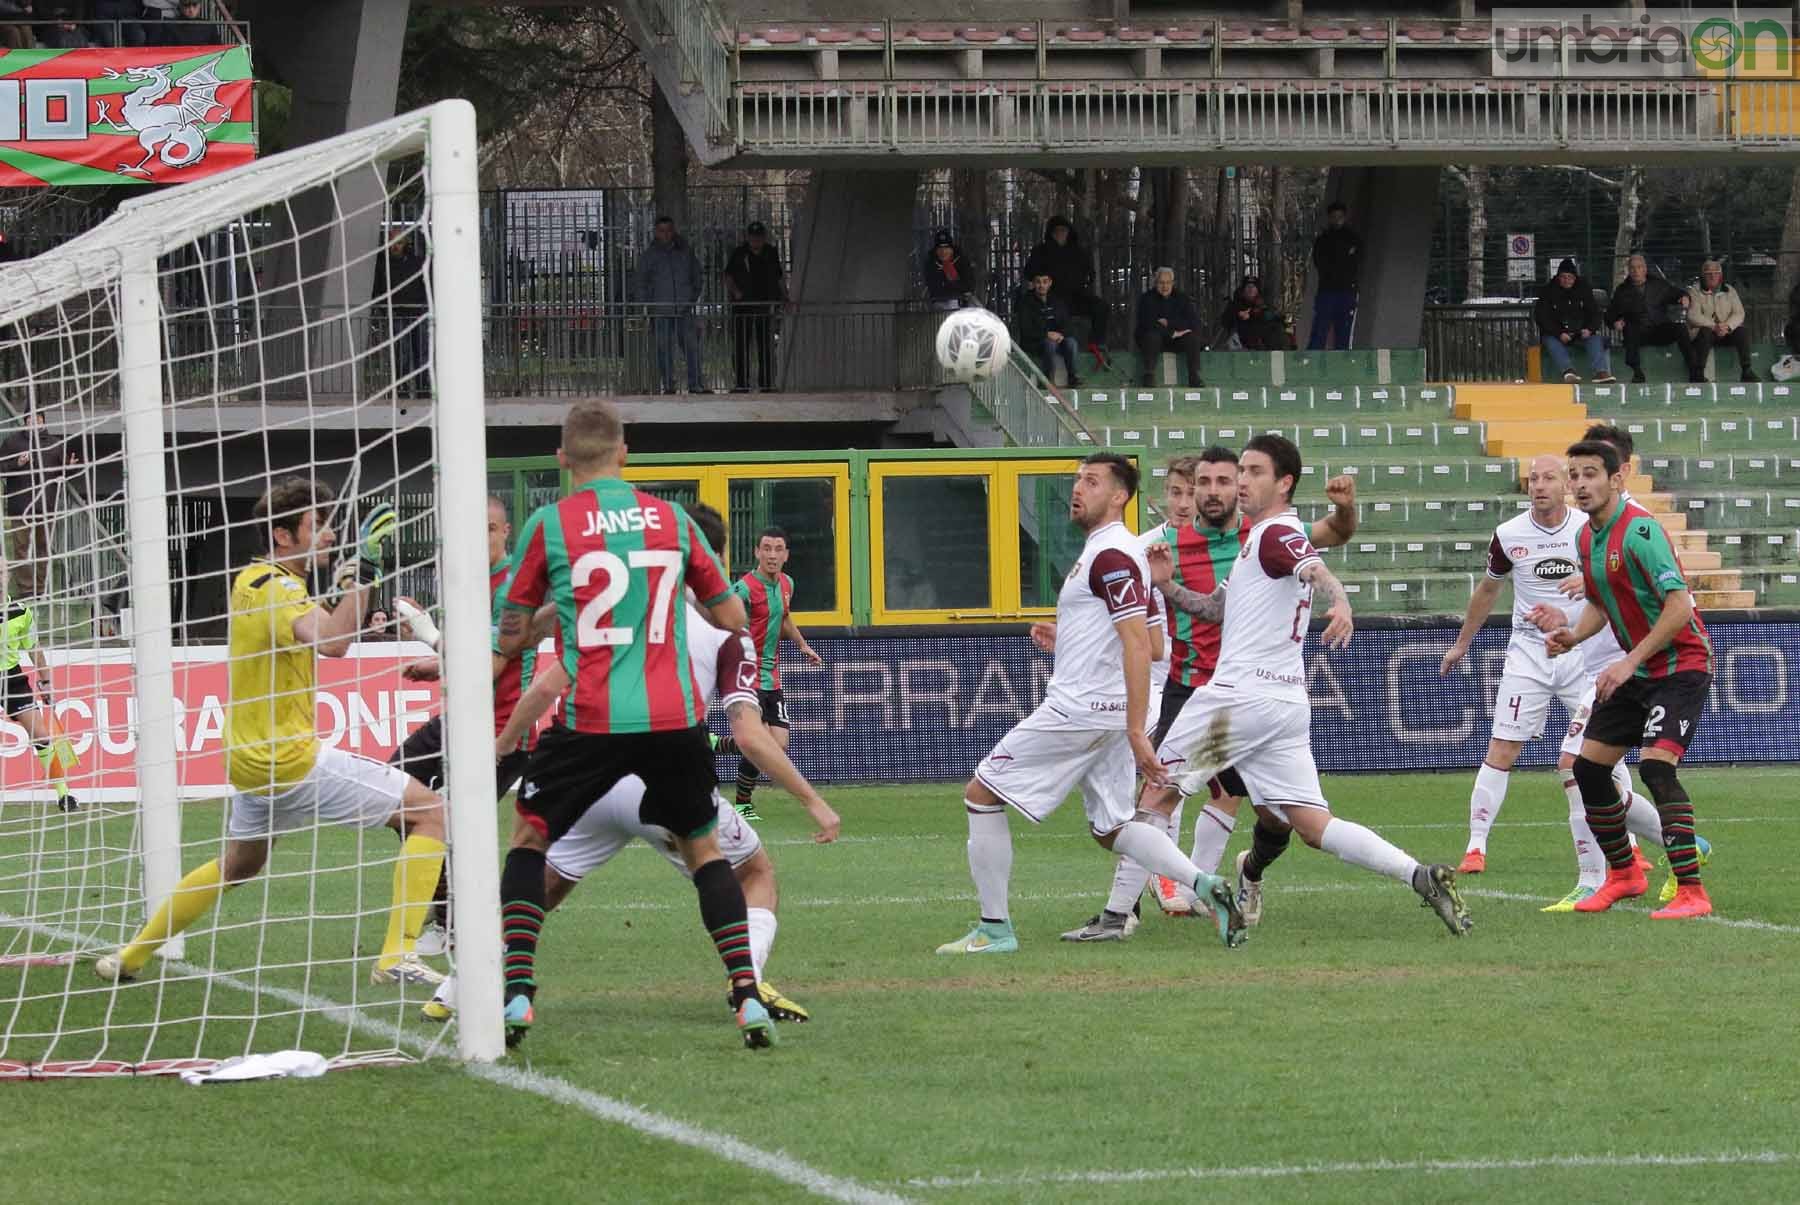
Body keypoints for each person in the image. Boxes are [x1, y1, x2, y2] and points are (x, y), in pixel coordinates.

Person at [427, 504, 841, 1029]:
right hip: (665, 767)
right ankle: (748, 985)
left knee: (543, 880)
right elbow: (747, 734)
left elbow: (549, 682)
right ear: (712, 560)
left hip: (593, 773)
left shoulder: (620, 604)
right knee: (750, 871)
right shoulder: (727, 631)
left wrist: (505, 743)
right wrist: (813, 801)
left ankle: (459, 987)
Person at [97, 479, 449, 986]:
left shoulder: (255, 580)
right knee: (429, 813)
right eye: (317, 525)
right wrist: (365, 573)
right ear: (283, 536)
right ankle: (397, 956)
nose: (329, 535)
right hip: (288, 757)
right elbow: (332, 644)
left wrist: (357, 587)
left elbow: (333, 630)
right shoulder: (281, 587)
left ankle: (129, 956)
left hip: (248, 755)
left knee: (240, 863)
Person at [495, 400, 760, 1048]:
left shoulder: (548, 525)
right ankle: (747, 995)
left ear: (562, 460)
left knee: (529, 838)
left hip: (590, 719)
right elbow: (731, 616)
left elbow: (510, 637)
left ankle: (518, 990)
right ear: (625, 454)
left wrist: (557, 615)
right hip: (672, 718)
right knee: (703, 850)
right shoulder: (672, 521)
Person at [1144, 434, 1473, 938]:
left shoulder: (1277, 533)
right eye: (1242, 472)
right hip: (1284, 703)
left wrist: (1340, 600)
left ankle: (1129, 911)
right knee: (1314, 827)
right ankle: (1419, 875)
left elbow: (1316, 567)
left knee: (1156, 795)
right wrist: (1167, 588)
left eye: (1253, 472)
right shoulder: (1259, 540)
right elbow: (1215, 609)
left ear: (1284, 483)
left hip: (1240, 700)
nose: (1242, 482)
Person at [937, 452, 1247, 956]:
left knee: (981, 793)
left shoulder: (1111, 555)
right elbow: (1150, 642)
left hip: (1081, 709)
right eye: (1078, 480)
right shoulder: (1124, 553)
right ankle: (1203, 884)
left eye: (1093, 481)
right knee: (1114, 829)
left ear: (1120, 496)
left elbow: (1135, 645)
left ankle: (994, 928)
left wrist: (1134, 730)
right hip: (1104, 710)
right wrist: (1071, 640)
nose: (1079, 489)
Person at [1060, 450, 1359, 940]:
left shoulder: (1262, 536)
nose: (1212, 491)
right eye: (1200, 484)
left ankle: (1240, 876)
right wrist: (1073, 634)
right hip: (1189, 684)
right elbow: (1111, 593)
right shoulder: (1156, 543)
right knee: (1159, 795)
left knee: (1273, 816)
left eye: (1226, 479)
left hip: (1249, 694)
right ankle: (1126, 907)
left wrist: (1346, 507)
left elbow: (1335, 534)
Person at [1438, 454, 1661, 890]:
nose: (1539, 486)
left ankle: (1628, 843)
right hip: (1529, 655)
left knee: (1600, 751)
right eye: (1533, 479)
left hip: (1583, 654)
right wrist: (1462, 643)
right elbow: (1488, 589)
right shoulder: (1508, 535)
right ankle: (1476, 845)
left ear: (1566, 484)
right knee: (1502, 747)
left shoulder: (1589, 528)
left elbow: (1615, 585)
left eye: (1549, 478)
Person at [1524, 422, 1709, 910]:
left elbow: (1679, 607)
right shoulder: (1587, 538)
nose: (1580, 483)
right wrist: (1572, 634)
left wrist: (1627, 661)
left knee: (1655, 768)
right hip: (1640, 672)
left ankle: (1692, 890)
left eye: (1590, 474)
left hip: (1680, 666)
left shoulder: (1640, 531)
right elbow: (1603, 603)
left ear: (1617, 479)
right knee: (1588, 770)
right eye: (1574, 475)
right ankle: (1625, 875)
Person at [385, 495, 543, 955]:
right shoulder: (471, 582)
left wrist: (427, 633)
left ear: (505, 532)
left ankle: (456, 924)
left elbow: (489, 667)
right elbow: (473, 653)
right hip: (461, 720)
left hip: (501, 732)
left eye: (490, 528)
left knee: (452, 818)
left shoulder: (513, 586)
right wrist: (437, 663)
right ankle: (451, 917)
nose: (482, 538)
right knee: (396, 790)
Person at [717, 527, 821, 820]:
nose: (772, 555)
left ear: (786, 555)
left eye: (778, 549)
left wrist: (802, 646)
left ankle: (717, 744)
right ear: (757, 553)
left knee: (778, 744)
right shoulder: (744, 588)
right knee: (760, 741)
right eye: (766, 548)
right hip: (746, 673)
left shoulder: (787, 584)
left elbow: (784, 617)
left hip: (771, 674)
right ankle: (742, 803)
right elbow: (724, 620)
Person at [1, 600, 79, 810]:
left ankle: (64, 795)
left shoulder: (20, 610)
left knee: (42, 735)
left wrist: (46, 682)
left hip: (11, 678)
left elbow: (34, 648)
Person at [1, 412, 78, 597]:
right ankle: (26, 590)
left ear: (43, 421)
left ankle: (40, 588)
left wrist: (70, 467)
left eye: (38, 419)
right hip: (20, 507)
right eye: (30, 419)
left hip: (46, 506)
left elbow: (62, 472)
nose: (34, 423)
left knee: (43, 548)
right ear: (25, 421)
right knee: (21, 549)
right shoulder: (12, 442)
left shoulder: (54, 443)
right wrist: (17, 463)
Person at [1021, 215, 1109, 364]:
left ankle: (1096, 343)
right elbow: (1029, 273)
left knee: (1101, 307)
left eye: (1064, 230)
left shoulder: (1078, 251)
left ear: (1069, 232)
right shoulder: (1041, 251)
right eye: (1057, 231)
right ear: (1051, 232)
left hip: (1076, 296)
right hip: (1052, 298)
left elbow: (1090, 273)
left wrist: (1084, 283)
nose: (1061, 234)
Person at [633, 215, 705, 395]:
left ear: (673, 231)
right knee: (663, 349)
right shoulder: (649, 256)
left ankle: (695, 384)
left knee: (691, 348)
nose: (666, 234)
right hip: (660, 310)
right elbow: (640, 282)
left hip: (684, 309)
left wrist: (691, 298)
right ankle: (669, 385)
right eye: (662, 231)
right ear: (656, 232)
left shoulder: (685, 252)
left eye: (669, 230)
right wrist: (647, 306)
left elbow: (697, 275)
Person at [1604, 255, 1692, 385]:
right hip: (1638, 333)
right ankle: (1636, 372)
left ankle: (1695, 369)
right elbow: (1610, 315)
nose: (1636, 271)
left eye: (1639, 267)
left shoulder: (1658, 284)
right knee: (1630, 328)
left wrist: (1684, 297)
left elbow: (1676, 293)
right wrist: (1615, 322)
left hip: (1659, 329)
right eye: (1632, 268)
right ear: (1628, 270)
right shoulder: (1622, 291)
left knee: (1680, 328)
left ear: (1645, 269)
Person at [722, 220, 785, 392]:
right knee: (741, 347)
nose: (756, 241)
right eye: (753, 237)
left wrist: (784, 298)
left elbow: (779, 277)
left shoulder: (771, 253)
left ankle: (765, 384)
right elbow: (728, 276)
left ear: (764, 237)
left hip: (764, 308)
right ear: (747, 237)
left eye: (759, 237)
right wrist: (736, 293)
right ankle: (741, 384)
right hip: (743, 308)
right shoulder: (739, 253)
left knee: (765, 347)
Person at [1534, 258, 1614, 384]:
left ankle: (1601, 372)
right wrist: (1559, 333)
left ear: (1575, 277)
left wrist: (1589, 329)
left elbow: (1595, 313)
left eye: (1570, 277)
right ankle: (1568, 371)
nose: (1567, 280)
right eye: (1563, 277)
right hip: (1557, 334)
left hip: (1580, 333)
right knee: (1549, 339)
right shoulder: (1548, 291)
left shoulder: (1584, 289)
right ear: (1558, 277)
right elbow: (1542, 317)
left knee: (1595, 339)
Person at [372, 233, 428, 399]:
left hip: (417, 314)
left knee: (421, 353)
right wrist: (385, 311)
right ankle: (402, 389)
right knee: (401, 354)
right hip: (397, 314)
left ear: (406, 244)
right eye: (392, 243)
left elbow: (427, 285)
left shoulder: (417, 263)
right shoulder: (383, 265)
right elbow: (378, 290)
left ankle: (423, 388)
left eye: (399, 243)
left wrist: (423, 307)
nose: (395, 246)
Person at [1686, 259, 1758, 383]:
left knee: (1742, 331)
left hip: (1725, 332)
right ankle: (1698, 374)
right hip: (1704, 336)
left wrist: (1727, 326)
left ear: (1721, 275)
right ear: (1703, 275)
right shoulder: (1694, 291)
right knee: (1705, 331)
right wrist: (1714, 326)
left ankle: (1747, 371)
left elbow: (1739, 313)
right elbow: (1693, 315)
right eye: (1709, 273)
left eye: (1716, 273)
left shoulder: (1729, 290)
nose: (1713, 276)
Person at [1134, 268, 1204, 387]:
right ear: (1155, 283)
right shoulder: (1146, 298)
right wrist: (1172, 332)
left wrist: (1169, 322)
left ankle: (1194, 376)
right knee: (1152, 335)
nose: (1165, 286)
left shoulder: (1181, 298)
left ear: (1172, 283)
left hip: (1176, 339)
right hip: (1155, 340)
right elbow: (1147, 323)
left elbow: (1194, 322)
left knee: (1192, 338)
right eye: (1161, 282)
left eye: (1168, 282)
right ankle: (1149, 375)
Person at [1307, 202, 1361, 350]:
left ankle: (1342, 364)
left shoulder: (1352, 238)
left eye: (1340, 216)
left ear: (1344, 217)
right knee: (1320, 330)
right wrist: (1344, 256)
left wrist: (1338, 260)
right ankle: (1312, 361)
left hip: (1346, 291)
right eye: (1334, 216)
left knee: (1343, 332)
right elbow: (1321, 264)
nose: (1337, 219)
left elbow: (1356, 262)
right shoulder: (1323, 240)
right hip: (1327, 290)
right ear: (1329, 218)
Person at [1013, 271, 1079, 387]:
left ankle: (1073, 377)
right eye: (1038, 282)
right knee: (1050, 344)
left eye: (1045, 282)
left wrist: (1061, 334)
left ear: (1050, 283)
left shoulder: (1057, 301)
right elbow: (1026, 329)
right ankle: (1046, 380)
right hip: (1035, 342)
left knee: (1071, 343)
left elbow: (1068, 324)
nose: (1041, 285)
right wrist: (1047, 334)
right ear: (1033, 284)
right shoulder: (1026, 302)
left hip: (1058, 339)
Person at [1217, 275, 1284, 351]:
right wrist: (1238, 315)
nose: (1251, 289)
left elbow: (1271, 318)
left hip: (1262, 349)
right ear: (1243, 290)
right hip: (1240, 349)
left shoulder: (1263, 305)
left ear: (1257, 290)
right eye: (1248, 286)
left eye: (1253, 286)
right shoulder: (1234, 305)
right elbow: (1224, 321)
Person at [924, 228, 979, 310]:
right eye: (940, 248)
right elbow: (935, 289)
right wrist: (954, 284)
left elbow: (969, 285)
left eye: (946, 248)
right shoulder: (931, 264)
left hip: (963, 301)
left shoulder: (961, 261)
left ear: (952, 249)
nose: (943, 252)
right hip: (941, 303)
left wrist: (950, 284)